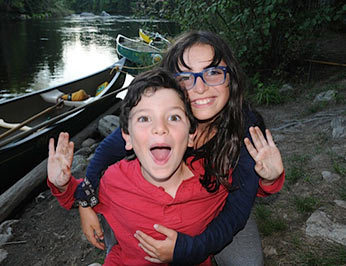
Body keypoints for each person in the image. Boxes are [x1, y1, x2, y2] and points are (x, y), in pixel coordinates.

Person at [73, 31, 285, 265]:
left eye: (213, 72)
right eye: (185, 77)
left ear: (231, 78)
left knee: (249, 263)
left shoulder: (247, 130)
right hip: (150, 206)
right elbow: (106, 152)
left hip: (218, 211)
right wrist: (85, 201)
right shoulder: (159, 113)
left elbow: (236, 213)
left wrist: (189, 248)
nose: (201, 87)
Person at [49, 68, 240, 265]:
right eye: (144, 118)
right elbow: (79, 194)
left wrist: (270, 177)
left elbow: (251, 189)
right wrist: (62, 184)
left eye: (173, 117)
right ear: (127, 138)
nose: (160, 128)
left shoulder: (214, 178)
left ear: (191, 136)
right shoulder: (115, 181)